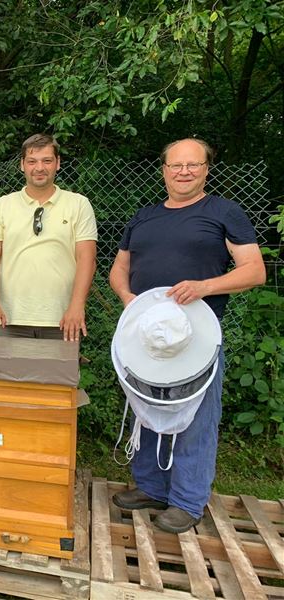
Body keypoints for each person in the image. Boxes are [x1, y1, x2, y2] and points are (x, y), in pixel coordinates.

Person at [109, 138, 265, 533]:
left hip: (194, 340)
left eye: (192, 165)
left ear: (206, 169)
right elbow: (118, 269)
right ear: (163, 169)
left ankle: (186, 501)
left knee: (196, 419)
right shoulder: (144, 217)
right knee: (145, 413)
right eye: (176, 165)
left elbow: (253, 270)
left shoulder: (223, 212)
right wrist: (129, 299)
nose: (183, 172)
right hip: (146, 340)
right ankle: (151, 487)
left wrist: (204, 287)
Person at [0, 133, 97, 341]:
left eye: (47, 161)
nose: (39, 168)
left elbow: (86, 258)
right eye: (32, 161)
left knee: (57, 375)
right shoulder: (1, 206)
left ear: (58, 163)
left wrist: (77, 306)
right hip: (8, 318)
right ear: (22, 165)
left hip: (63, 319)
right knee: (6, 374)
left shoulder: (78, 204)